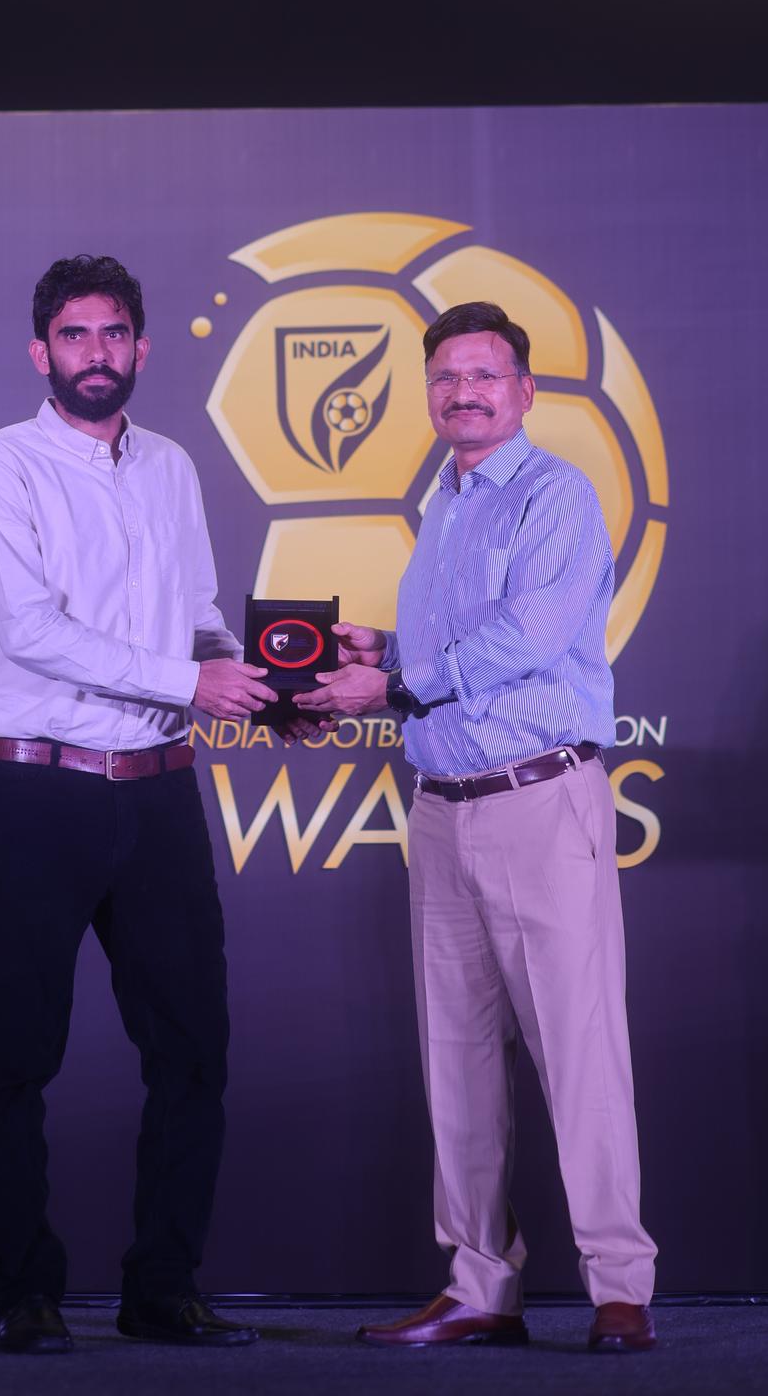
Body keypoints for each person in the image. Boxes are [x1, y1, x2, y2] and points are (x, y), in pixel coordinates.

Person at [295, 300, 658, 1353]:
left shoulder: (558, 494)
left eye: (486, 376)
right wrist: (380, 642)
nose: (465, 392)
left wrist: (399, 677)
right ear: (428, 393)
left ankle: (619, 1287)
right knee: (457, 1062)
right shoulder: (443, 503)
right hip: (445, 816)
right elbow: (455, 647)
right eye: (447, 377)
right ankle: (479, 1287)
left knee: (580, 1055)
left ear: (525, 390)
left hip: (542, 804)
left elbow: (533, 636)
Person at [0, 254, 272, 1355]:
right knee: (18, 1054)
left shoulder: (173, 466)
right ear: (41, 352)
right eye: (76, 336)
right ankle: (25, 1293)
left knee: (194, 1051)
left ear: (143, 347)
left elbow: (194, 614)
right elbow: (30, 628)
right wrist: (194, 682)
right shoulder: (2, 465)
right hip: (38, 788)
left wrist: (258, 683)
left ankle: (162, 1287)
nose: (98, 353)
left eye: (115, 334)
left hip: (159, 795)